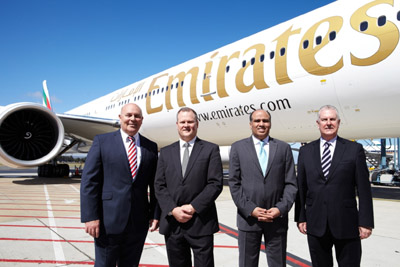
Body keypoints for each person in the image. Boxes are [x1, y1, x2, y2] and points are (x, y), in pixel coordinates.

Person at [80, 103, 159, 267]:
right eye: (129, 115)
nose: (133, 119)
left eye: (137, 116)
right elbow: (89, 182)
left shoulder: (150, 146)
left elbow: (155, 184)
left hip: (138, 221)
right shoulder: (102, 142)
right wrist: (90, 217)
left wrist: (155, 214)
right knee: (104, 264)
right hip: (107, 220)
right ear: (120, 118)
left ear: (142, 120)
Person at [295, 105, 374, 267]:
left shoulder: (354, 150)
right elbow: (301, 188)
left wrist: (365, 222)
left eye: (332, 119)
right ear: (318, 123)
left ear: (338, 123)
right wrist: (300, 217)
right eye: (324, 119)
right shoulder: (306, 152)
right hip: (316, 223)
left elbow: (364, 189)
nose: (328, 123)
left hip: (347, 224)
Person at [154, 107, 223, 267]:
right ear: (177, 125)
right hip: (173, 223)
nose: (186, 125)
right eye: (183, 122)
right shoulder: (165, 152)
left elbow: (215, 183)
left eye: (190, 121)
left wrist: (193, 207)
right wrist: (173, 209)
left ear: (197, 124)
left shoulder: (210, 149)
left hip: (201, 222)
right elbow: (159, 185)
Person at [228, 109, 297, 267]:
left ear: (270, 124)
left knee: (278, 264)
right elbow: (234, 183)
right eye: (257, 121)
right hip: (249, 220)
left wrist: (279, 209)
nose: (261, 124)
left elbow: (291, 184)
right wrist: (250, 209)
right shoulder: (238, 148)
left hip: (277, 219)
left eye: (265, 121)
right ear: (251, 124)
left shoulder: (283, 148)